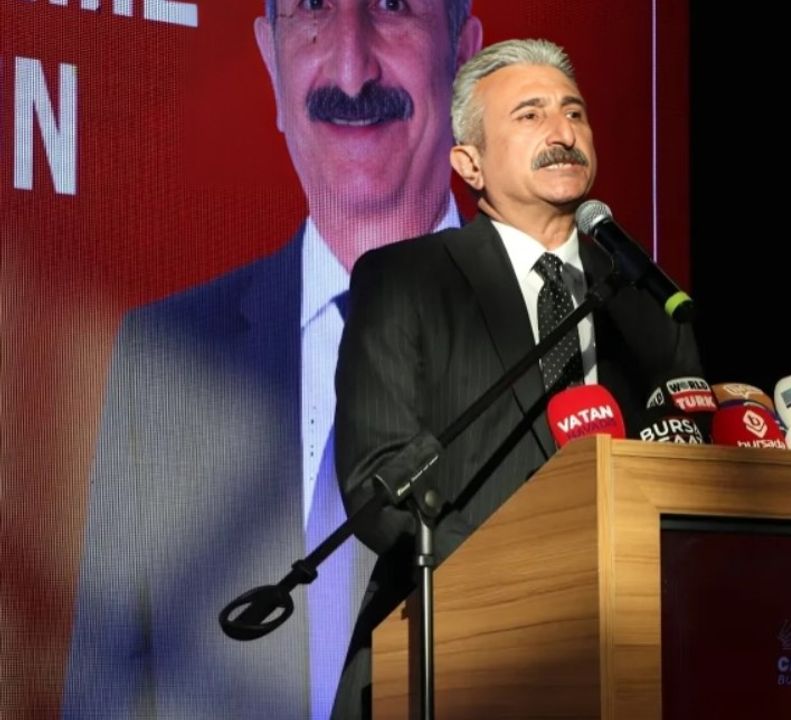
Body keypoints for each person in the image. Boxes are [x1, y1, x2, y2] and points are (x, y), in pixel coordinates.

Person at [61, 3, 481, 719]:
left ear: (462, 56)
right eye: (313, 7)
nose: (351, 71)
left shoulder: (551, 334)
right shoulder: (162, 355)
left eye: (391, 5)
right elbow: (108, 689)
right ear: (270, 57)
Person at [327, 38, 702, 717]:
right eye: (530, 115)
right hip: (452, 648)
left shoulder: (646, 298)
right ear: (468, 162)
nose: (563, 133)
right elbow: (378, 480)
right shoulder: (405, 280)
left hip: (625, 649)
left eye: (575, 113)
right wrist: (529, 577)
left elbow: (682, 467)